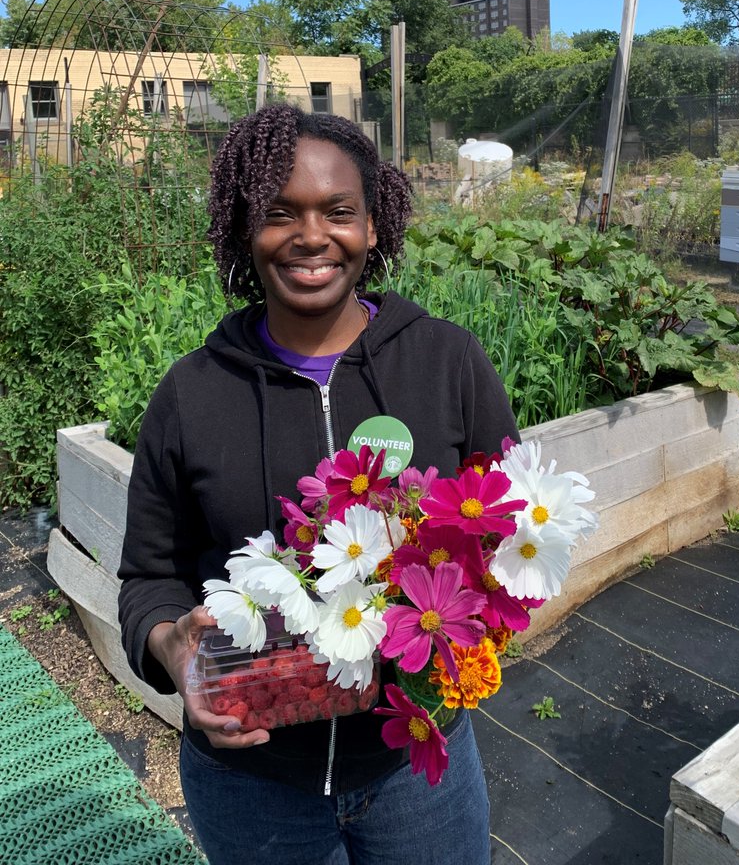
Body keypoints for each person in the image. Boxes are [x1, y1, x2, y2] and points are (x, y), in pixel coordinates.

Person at [118, 105, 518, 865]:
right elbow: (148, 576)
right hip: (252, 779)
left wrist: (483, 607)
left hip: (414, 765)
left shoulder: (447, 363)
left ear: (373, 226)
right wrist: (171, 648)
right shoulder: (192, 394)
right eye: (279, 214)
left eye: (338, 211)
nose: (311, 237)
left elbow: (508, 532)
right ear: (245, 230)